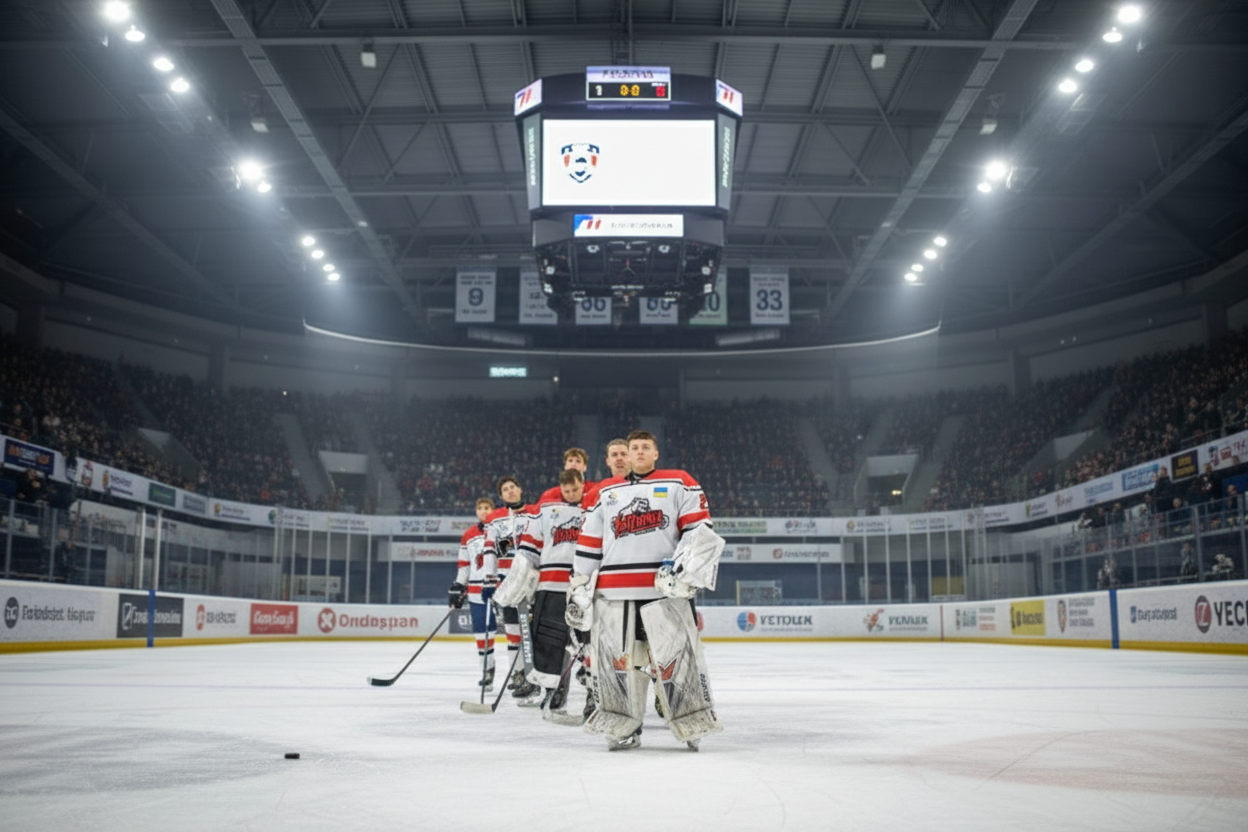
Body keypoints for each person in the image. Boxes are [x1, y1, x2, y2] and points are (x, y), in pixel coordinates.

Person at [569, 430, 722, 751]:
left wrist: (685, 572)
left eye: (645, 448)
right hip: (612, 592)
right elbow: (589, 541)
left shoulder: (680, 482)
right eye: (633, 448)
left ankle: (689, 718)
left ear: (655, 454)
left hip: (664, 591)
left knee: (676, 658)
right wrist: (580, 584)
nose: (638, 452)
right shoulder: (605, 491)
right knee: (618, 663)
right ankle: (624, 725)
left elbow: (700, 531)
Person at [509, 468, 586, 712]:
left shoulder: (593, 512)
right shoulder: (546, 513)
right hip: (550, 586)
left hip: (581, 588)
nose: (571, 494)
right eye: (567, 490)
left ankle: (594, 694)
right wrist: (521, 582)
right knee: (549, 644)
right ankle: (554, 693)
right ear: (560, 490)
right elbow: (528, 550)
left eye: (575, 489)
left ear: (583, 486)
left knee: (585, 644)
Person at [482, 475, 533, 697]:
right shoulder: (495, 519)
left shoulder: (535, 512)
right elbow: (490, 550)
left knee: (533, 632)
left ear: (520, 490)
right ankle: (518, 674)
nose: (510, 491)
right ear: (501, 496)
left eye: (513, 487)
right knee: (513, 631)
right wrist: (488, 578)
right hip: (508, 580)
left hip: (532, 580)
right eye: (505, 489)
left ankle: (535, 676)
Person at [449, 498, 498, 690]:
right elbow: (464, 566)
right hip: (477, 592)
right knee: (481, 632)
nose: (484, 511)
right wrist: (459, 586)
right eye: (480, 508)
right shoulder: (468, 535)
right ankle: (487, 669)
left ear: (493, 510)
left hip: (501, 589)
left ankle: (523, 675)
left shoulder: (501, 530)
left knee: (514, 633)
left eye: (487, 508)